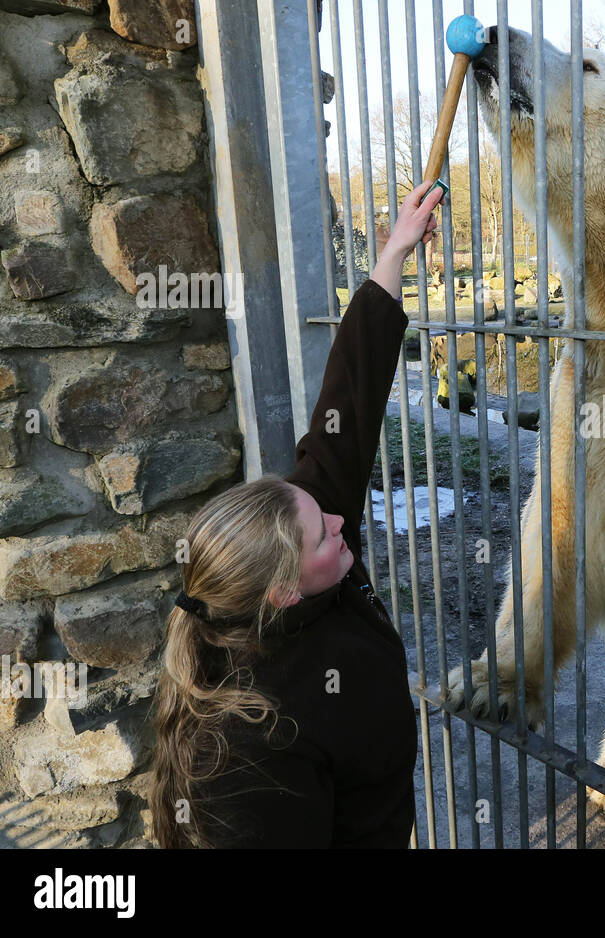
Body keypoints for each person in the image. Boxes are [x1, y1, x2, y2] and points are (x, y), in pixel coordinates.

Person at [147, 180, 445, 848]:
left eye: (320, 511)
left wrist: (394, 252)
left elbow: (348, 404)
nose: (343, 524)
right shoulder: (247, 747)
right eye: (324, 532)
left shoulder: (301, 542)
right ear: (283, 589)